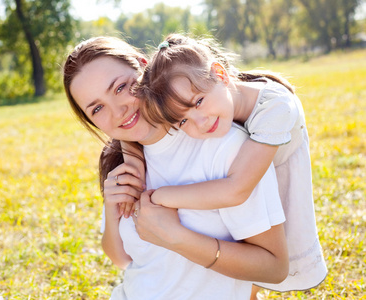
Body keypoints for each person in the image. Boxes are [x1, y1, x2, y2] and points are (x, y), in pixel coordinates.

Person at [63, 36, 288, 300]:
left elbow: (274, 268)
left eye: (121, 87)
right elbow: (123, 259)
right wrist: (112, 208)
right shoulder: (124, 163)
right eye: (98, 108)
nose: (117, 111)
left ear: (143, 67)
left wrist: (177, 237)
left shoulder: (224, 147)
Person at [132, 33, 327, 294]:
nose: (200, 122)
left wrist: (161, 197)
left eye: (198, 102)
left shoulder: (276, 107)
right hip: (252, 188)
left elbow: (236, 189)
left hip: (273, 186)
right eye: (182, 122)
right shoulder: (220, 100)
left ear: (221, 75)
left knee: (256, 273)